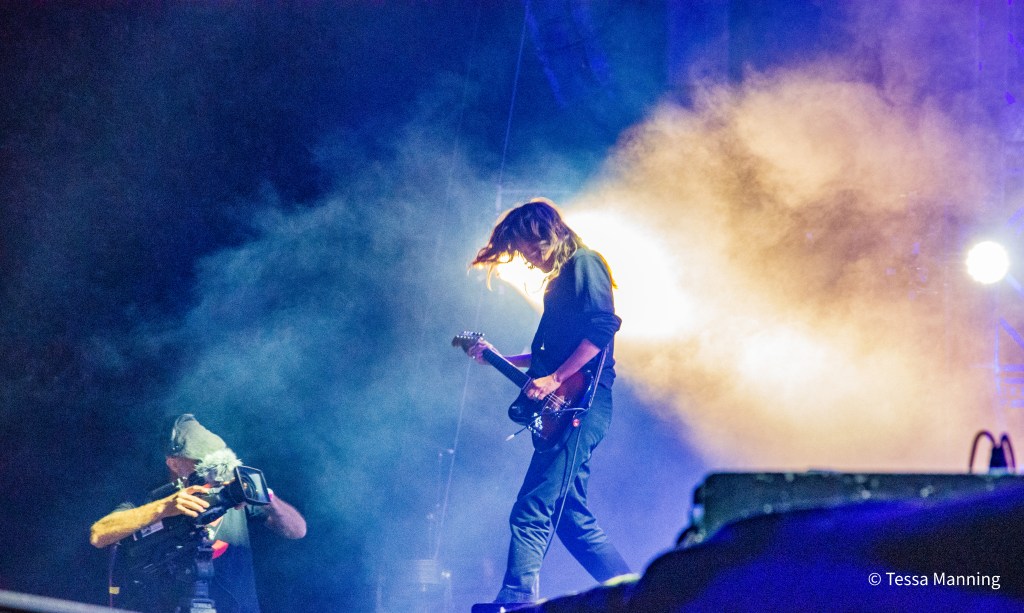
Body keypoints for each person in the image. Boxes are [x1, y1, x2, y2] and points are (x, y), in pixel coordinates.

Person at [466, 198, 631, 604]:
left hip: (583, 406)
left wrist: (556, 378)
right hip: (571, 407)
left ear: (549, 233)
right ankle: (642, 596)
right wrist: (500, 357)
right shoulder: (562, 279)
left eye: (528, 248)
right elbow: (552, 355)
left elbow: (603, 327)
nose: (526, 258)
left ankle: (516, 600)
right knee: (571, 518)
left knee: (531, 508)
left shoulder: (585, 263)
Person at [89, 414, 307, 613]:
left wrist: (266, 498)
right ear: (173, 463)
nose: (213, 471)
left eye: (217, 462)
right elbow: (99, 534)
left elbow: (298, 530)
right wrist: (164, 507)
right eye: (202, 462)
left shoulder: (231, 494)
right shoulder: (155, 498)